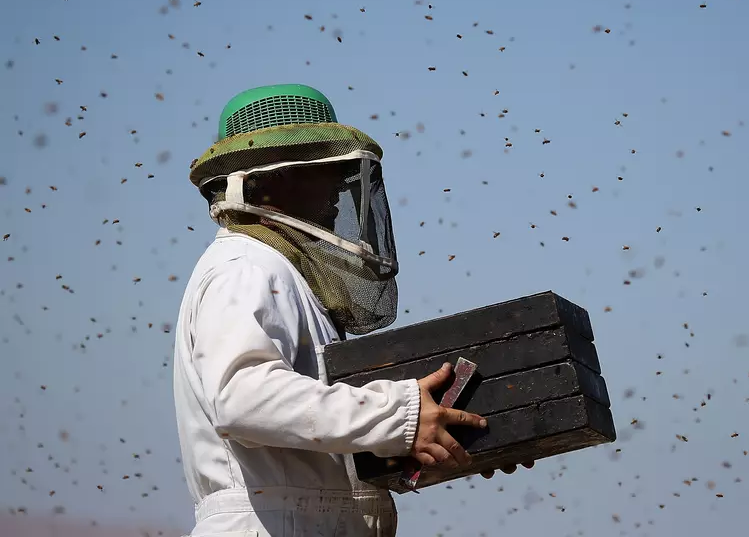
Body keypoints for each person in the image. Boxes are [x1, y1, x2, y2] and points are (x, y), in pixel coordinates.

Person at [173, 84, 529, 537]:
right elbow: (241, 397)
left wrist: (451, 437)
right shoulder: (246, 267)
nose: (338, 192)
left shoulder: (285, 277)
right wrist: (400, 417)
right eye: (322, 171)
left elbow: (316, 446)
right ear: (270, 181)